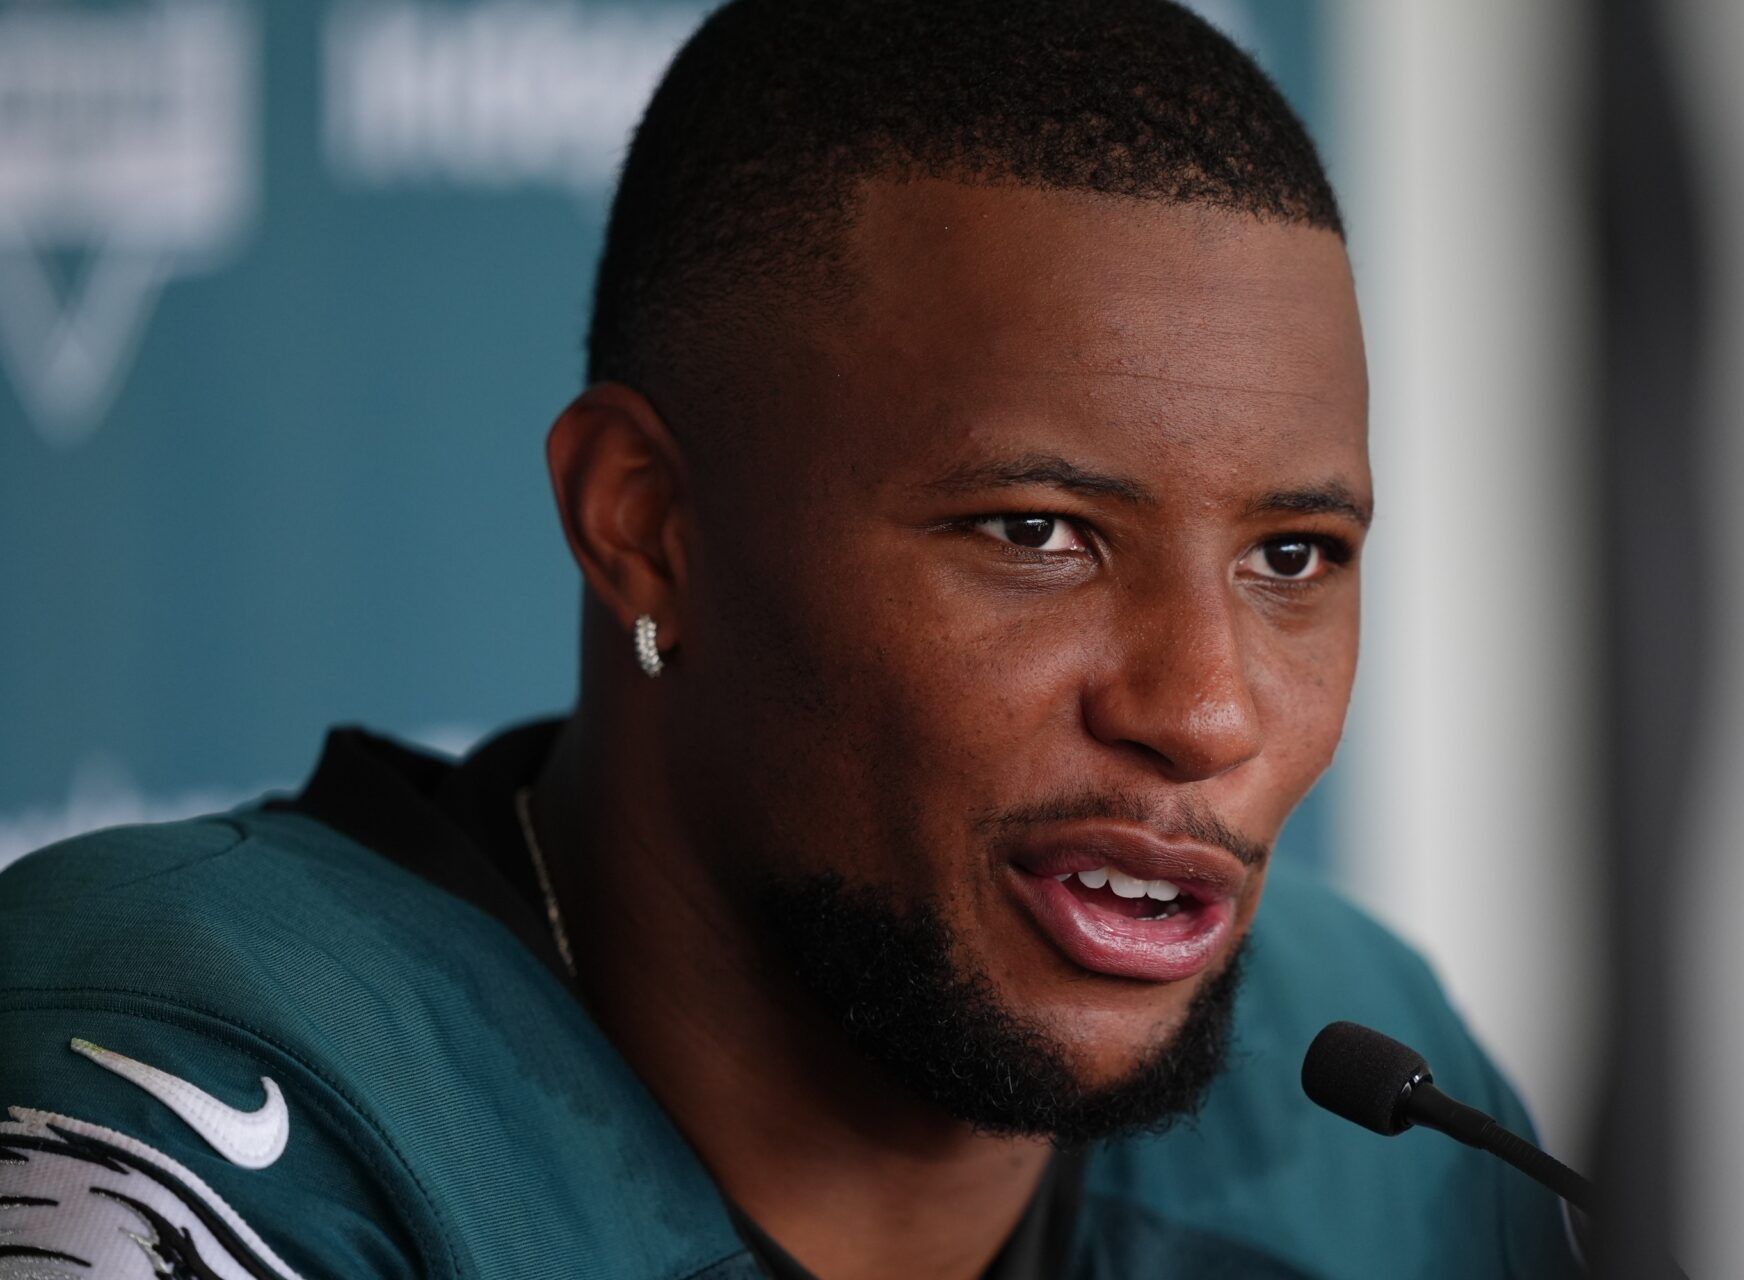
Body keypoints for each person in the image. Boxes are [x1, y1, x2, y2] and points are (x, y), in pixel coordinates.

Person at [0, 2, 1581, 1277]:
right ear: (646, 527)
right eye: (1037, 533)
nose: (1206, 709)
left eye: (1294, 556)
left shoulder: (1373, 1104)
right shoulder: (199, 1083)